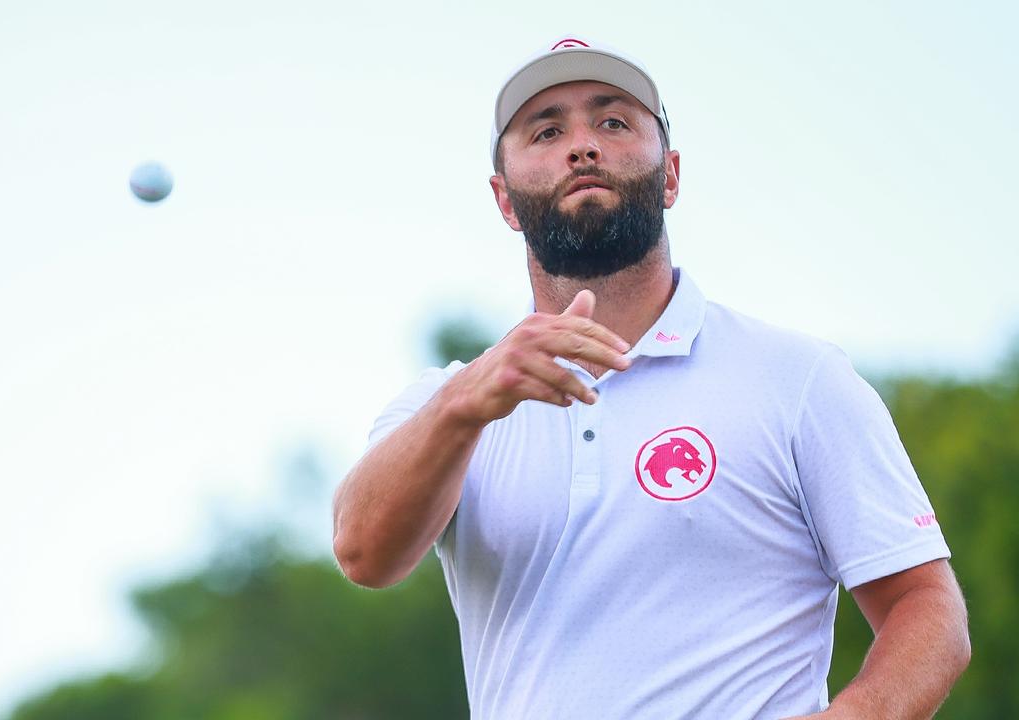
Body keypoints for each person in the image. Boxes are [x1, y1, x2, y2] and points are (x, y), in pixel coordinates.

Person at [332, 37, 970, 719]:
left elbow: (926, 607)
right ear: (505, 200)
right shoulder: (446, 407)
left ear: (669, 174)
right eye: (547, 130)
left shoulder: (798, 379)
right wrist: (465, 404)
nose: (582, 146)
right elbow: (363, 552)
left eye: (612, 122)